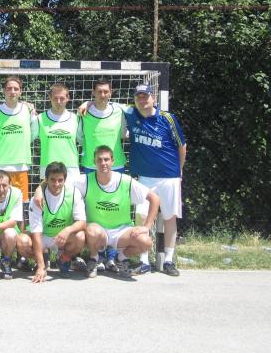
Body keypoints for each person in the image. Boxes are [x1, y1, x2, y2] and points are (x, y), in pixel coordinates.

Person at [124, 83, 187, 276]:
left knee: (169, 217)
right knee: (142, 217)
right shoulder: (130, 113)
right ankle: (143, 260)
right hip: (144, 178)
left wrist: (179, 170)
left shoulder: (167, 118)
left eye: (145, 96)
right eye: (138, 97)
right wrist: (87, 103)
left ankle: (168, 260)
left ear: (153, 98)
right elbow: (108, 105)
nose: (142, 100)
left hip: (169, 176)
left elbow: (182, 145)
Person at [80, 145, 160, 278]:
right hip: (99, 231)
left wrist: (147, 227)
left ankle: (121, 258)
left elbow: (155, 199)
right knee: (91, 231)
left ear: (113, 161)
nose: (103, 163)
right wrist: (41, 190)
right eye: (99, 160)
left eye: (106, 159)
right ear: (94, 162)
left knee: (146, 242)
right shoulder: (85, 180)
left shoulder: (125, 180)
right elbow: (61, 185)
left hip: (122, 231)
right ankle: (94, 259)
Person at [17, 162, 87, 283]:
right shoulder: (37, 199)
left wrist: (68, 230)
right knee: (21, 241)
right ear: (46, 180)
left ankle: (64, 259)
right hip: (43, 236)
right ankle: (42, 260)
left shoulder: (74, 193)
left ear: (65, 180)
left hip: (62, 237)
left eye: (60, 180)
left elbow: (82, 222)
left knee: (80, 236)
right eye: (53, 180)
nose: (56, 184)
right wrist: (41, 266)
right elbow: (36, 233)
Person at [0, 75, 38, 204]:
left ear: (21, 91)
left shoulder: (28, 110)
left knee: (21, 205)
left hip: (20, 166)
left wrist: (23, 142)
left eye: (16, 89)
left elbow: (34, 132)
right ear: (4, 90)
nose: (12, 92)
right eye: (9, 88)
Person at [34, 83, 81, 187]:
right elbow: (27, 139)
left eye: (62, 98)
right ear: (49, 98)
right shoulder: (40, 118)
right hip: (48, 168)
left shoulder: (76, 119)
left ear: (68, 98)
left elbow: (84, 141)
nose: (59, 102)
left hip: (71, 169)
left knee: (71, 197)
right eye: (55, 98)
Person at [77, 78, 127, 174]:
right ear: (93, 93)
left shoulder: (119, 111)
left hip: (115, 164)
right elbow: (79, 137)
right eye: (99, 92)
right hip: (91, 164)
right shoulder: (84, 112)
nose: (103, 95)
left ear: (110, 93)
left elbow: (122, 134)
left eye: (106, 92)